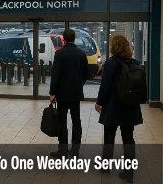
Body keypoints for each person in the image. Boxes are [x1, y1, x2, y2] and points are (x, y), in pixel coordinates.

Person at [95, 35, 143, 183]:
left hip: (113, 106)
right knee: (128, 139)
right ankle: (129, 172)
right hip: (130, 106)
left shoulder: (111, 63)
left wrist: (99, 102)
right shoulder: (134, 63)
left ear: (114, 47)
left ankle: (105, 165)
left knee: (109, 137)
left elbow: (105, 85)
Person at [49, 29, 89, 158]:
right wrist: (78, 85)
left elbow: (55, 75)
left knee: (62, 121)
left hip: (62, 93)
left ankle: (62, 150)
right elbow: (86, 74)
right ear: (74, 38)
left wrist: (53, 93)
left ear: (64, 39)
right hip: (76, 93)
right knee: (76, 121)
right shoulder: (81, 54)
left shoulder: (59, 54)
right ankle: (75, 150)